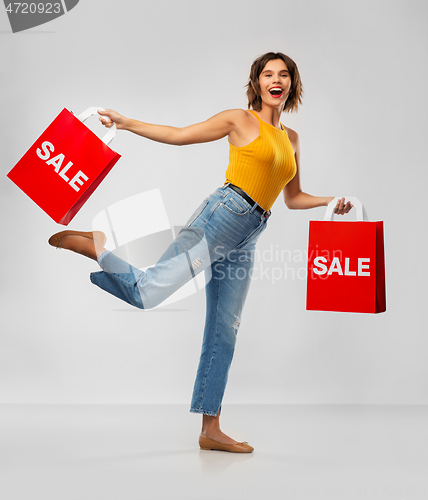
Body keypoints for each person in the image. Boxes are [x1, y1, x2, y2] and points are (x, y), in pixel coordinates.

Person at [49, 52, 353, 453]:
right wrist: (126, 123)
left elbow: (293, 198)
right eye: (268, 74)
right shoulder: (240, 120)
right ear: (257, 83)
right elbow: (179, 134)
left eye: (284, 75)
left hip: (251, 232)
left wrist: (332, 201)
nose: (275, 80)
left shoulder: (291, 139)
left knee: (224, 330)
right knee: (148, 293)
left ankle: (210, 429)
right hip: (224, 215)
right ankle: (97, 245)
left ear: (292, 84)